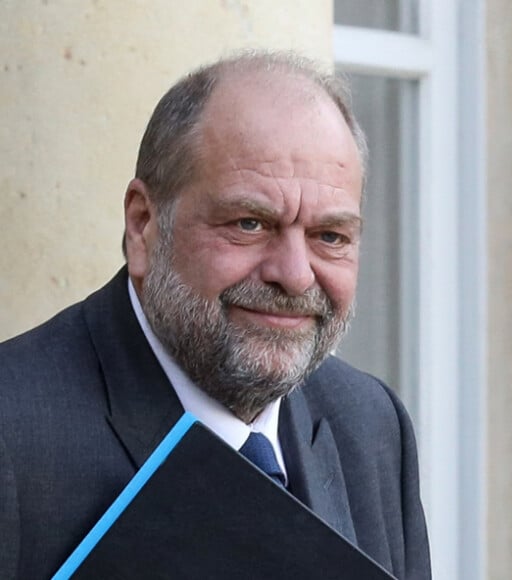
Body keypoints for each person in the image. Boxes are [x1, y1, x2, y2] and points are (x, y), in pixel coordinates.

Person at [0, 51, 430, 579]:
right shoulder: (13, 430)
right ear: (142, 226)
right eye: (250, 224)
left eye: (329, 237)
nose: (295, 275)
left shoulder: (371, 425)